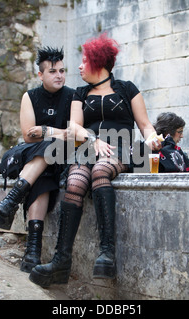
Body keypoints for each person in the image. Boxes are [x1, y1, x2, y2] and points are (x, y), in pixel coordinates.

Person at [29, 33, 162, 288]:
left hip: (121, 148)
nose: (79, 67)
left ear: (98, 63)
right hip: (89, 148)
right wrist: (93, 140)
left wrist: (154, 138)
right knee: (76, 181)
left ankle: (107, 254)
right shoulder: (80, 93)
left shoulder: (127, 88)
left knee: (101, 170)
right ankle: (60, 262)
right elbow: (75, 128)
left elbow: (145, 125)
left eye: (84, 61)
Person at [0, 47, 75, 273]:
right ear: (40, 75)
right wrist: (58, 132)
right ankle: (32, 252)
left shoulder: (73, 96)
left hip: (59, 158)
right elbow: (27, 135)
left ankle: (10, 204)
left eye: (62, 71)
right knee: (45, 158)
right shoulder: (30, 97)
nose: (59, 75)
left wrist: (45, 130)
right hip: (28, 155)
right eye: (53, 71)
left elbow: (72, 133)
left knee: (47, 164)